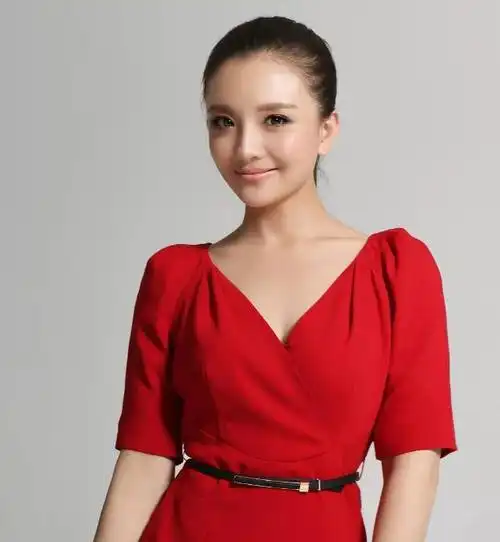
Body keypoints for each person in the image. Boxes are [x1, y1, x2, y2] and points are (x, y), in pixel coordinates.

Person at [93, 15, 457, 542]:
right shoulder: (175, 277)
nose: (245, 148)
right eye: (223, 121)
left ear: (327, 129)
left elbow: (414, 462)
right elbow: (144, 459)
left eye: (276, 120)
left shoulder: (396, 271)